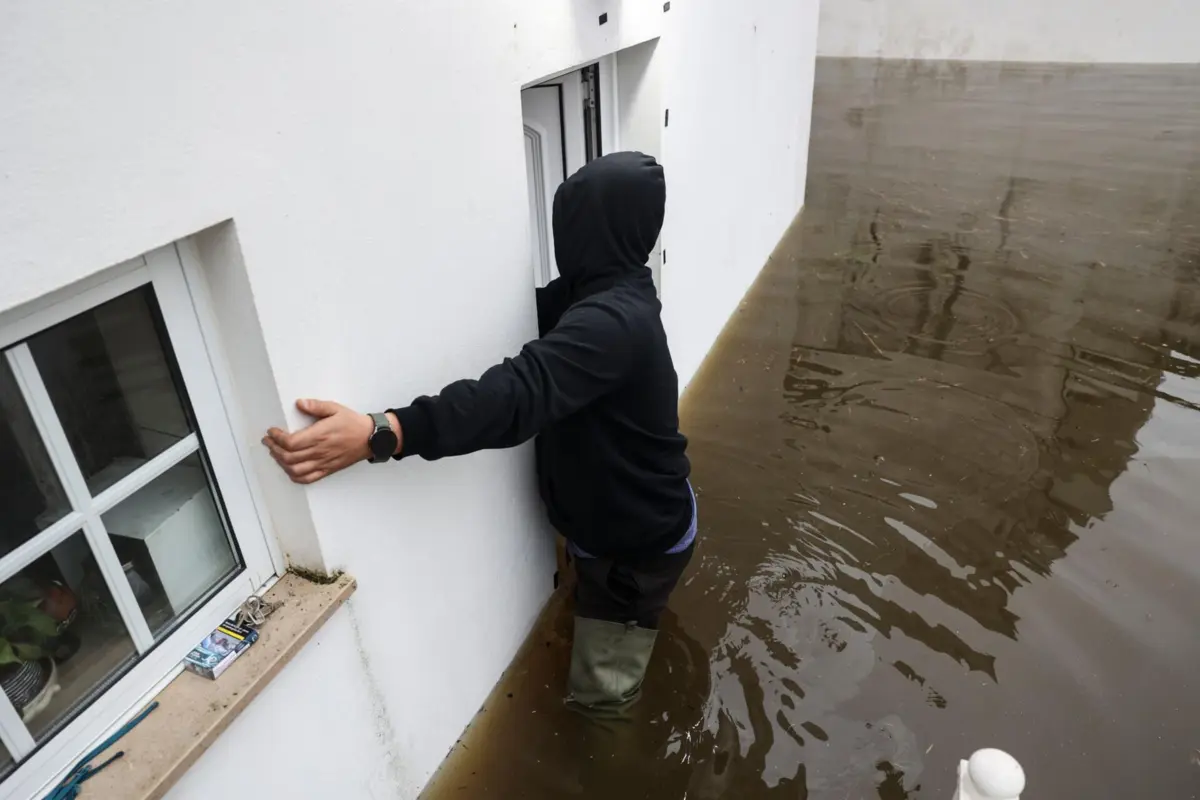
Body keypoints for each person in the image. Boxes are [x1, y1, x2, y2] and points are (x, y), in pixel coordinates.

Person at [263, 151, 695, 712]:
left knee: (602, 701)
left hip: (634, 547)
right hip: (625, 515)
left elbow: (515, 394)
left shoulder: (614, 322)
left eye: (571, 223)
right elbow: (512, 318)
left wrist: (383, 432)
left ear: (590, 231)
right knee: (601, 626)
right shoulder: (600, 293)